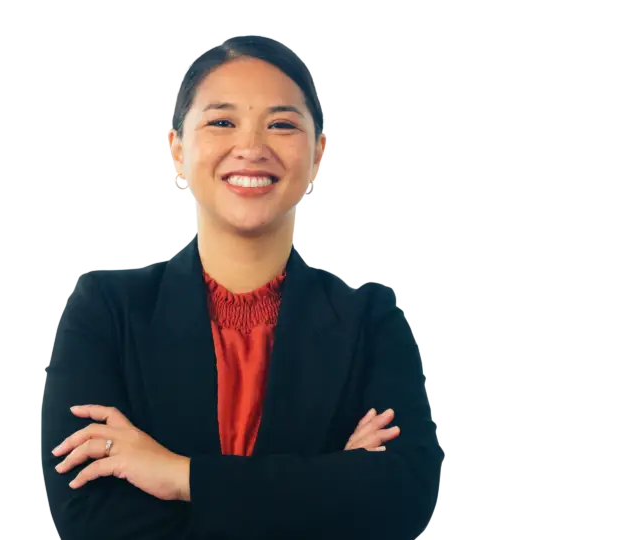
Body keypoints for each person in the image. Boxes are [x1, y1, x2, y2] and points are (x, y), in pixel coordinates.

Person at [39, 32, 443, 539]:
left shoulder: (370, 318)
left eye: (281, 124)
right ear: (177, 150)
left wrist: (179, 475)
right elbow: (91, 519)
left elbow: (402, 500)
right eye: (222, 121)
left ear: (319, 152)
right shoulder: (107, 310)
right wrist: (331, 483)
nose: (251, 147)